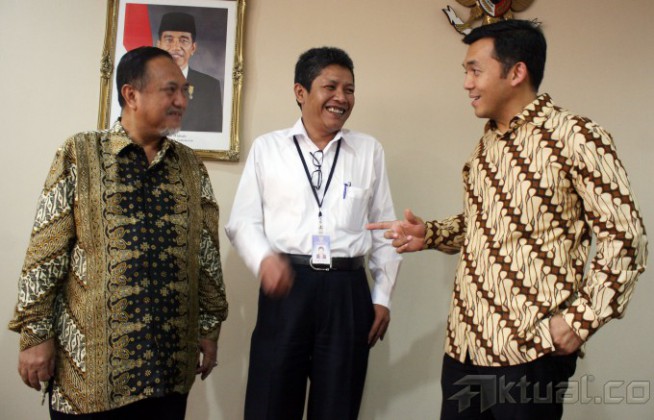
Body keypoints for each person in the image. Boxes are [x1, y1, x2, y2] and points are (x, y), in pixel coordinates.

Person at [368, 20, 647, 419]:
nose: (466, 83)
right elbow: (485, 223)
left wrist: (579, 321)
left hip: (529, 351)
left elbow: (627, 240)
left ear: (516, 72)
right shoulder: (486, 146)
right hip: (464, 346)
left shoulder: (576, 135)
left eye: (475, 70)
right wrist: (430, 233)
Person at [8, 46, 228, 419]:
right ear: (131, 94)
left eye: (184, 91)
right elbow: (45, 252)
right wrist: (35, 335)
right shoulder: (80, 153)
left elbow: (206, 256)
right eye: (170, 90)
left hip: (168, 370)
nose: (181, 101)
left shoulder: (190, 166)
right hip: (90, 378)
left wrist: (209, 328)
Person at [225, 47, 402, 419]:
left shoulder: (368, 151)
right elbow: (242, 221)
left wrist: (383, 295)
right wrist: (264, 261)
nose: (342, 98)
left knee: (338, 407)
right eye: (331, 87)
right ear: (300, 92)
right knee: (271, 402)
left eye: (349, 89)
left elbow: (384, 229)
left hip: (347, 291)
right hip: (287, 287)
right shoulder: (268, 148)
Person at [157, 11, 223, 132]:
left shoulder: (210, 86)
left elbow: (216, 132)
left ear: (193, 48)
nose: (176, 47)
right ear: (159, 45)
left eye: (183, 40)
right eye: (169, 40)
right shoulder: (143, 83)